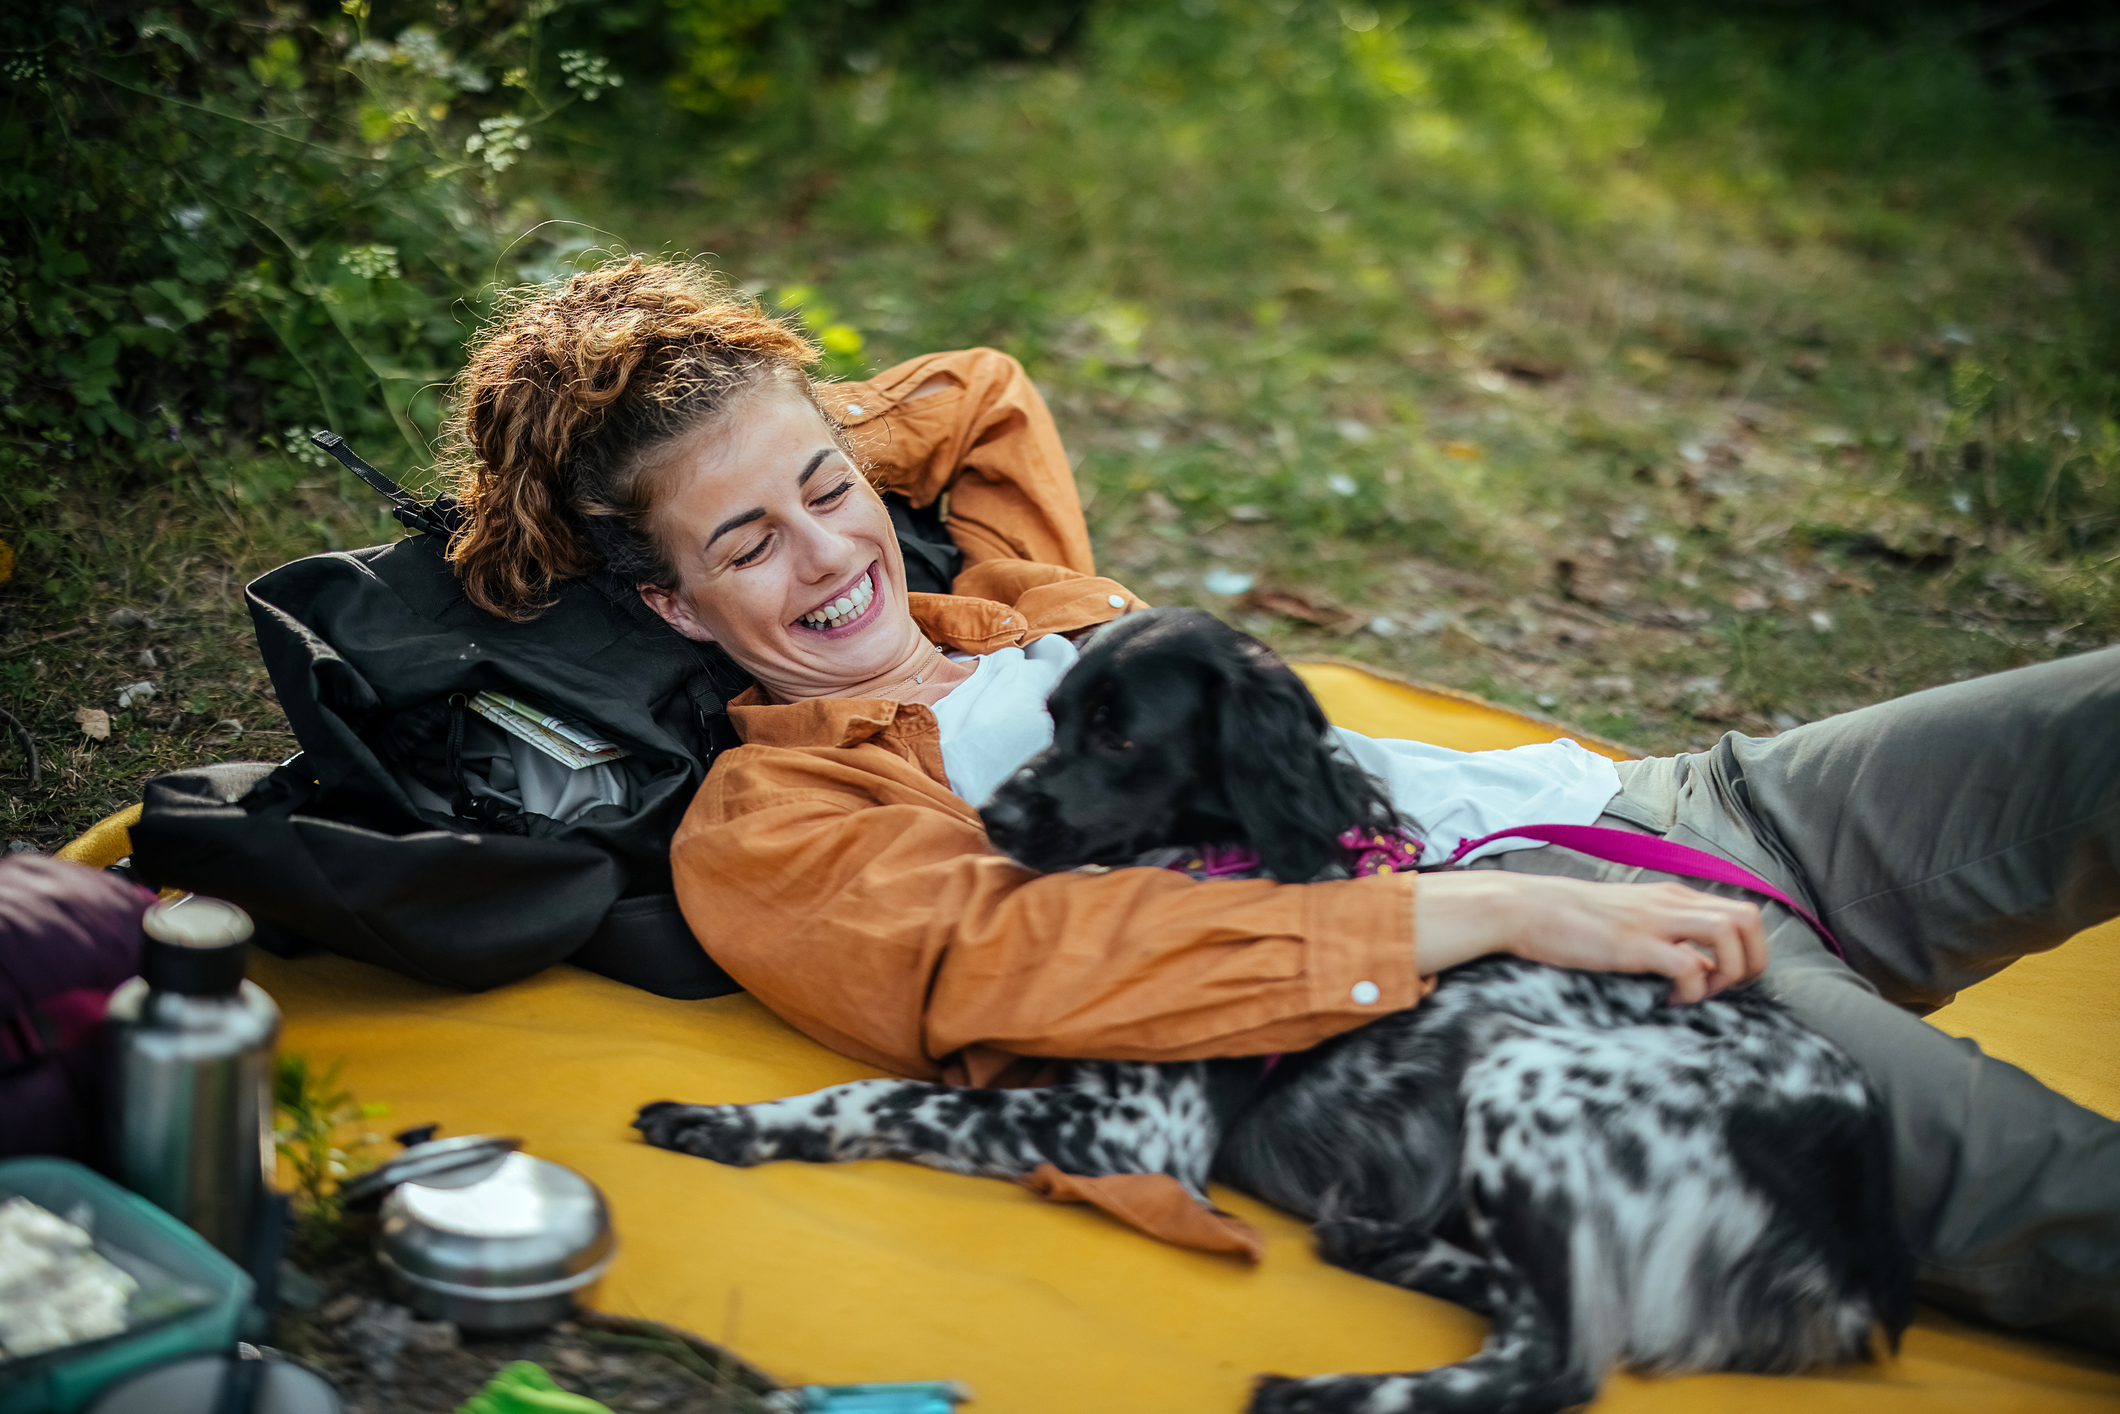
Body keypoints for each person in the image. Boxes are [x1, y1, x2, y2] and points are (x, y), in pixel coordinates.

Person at [440, 256, 2118, 1350]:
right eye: (746, 546)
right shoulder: (781, 819)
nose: (828, 555)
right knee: (2069, 1192)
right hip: (1548, 997)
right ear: (665, 604)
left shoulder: (1008, 594)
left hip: (1674, 805)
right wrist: (1493, 909)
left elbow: (980, 392)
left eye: (830, 488)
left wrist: (749, 421)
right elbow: (1029, 962)